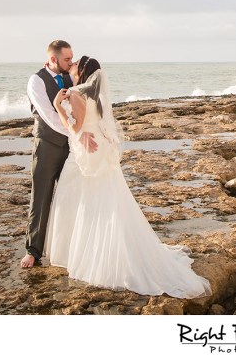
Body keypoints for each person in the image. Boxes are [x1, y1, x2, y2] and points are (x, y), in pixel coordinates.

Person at [44, 55, 211, 299]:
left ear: (82, 72)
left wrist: (58, 106)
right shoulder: (96, 94)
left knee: (79, 199)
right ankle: (100, 249)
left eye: (76, 64)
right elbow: (97, 122)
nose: (72, 66)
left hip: (85, 151)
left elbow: (76, 127)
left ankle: (79, 253)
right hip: (99, 147)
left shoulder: (77, 93)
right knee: (105, 200)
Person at [21, 40, 97, 269]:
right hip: (47, 145)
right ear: (53, 59)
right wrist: (78, 133)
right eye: (67, 59)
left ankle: (72, 247)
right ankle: (33, 250)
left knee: (70, 197)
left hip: (72, 148)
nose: (71, 62)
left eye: (72, 58)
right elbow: (49, 116)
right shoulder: (36, 81)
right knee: (41, 197)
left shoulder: (70, 77)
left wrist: (79, 134)